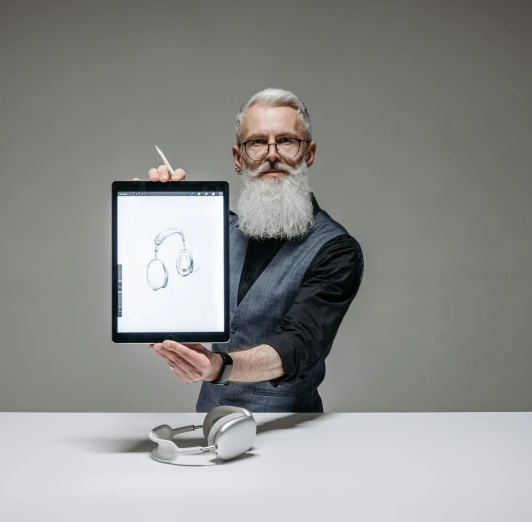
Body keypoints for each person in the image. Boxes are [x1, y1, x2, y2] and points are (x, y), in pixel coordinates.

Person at [136, 87, 364, 413]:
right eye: (257, 142)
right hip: (210, 424)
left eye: (286, 140)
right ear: (238, 158)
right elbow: (165, 261)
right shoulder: (215, 232)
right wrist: (163, 205)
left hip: (290, 433)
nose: (272, 154)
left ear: (309, 153)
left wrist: (218, 366)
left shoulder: (336, 251)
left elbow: (298, 345)